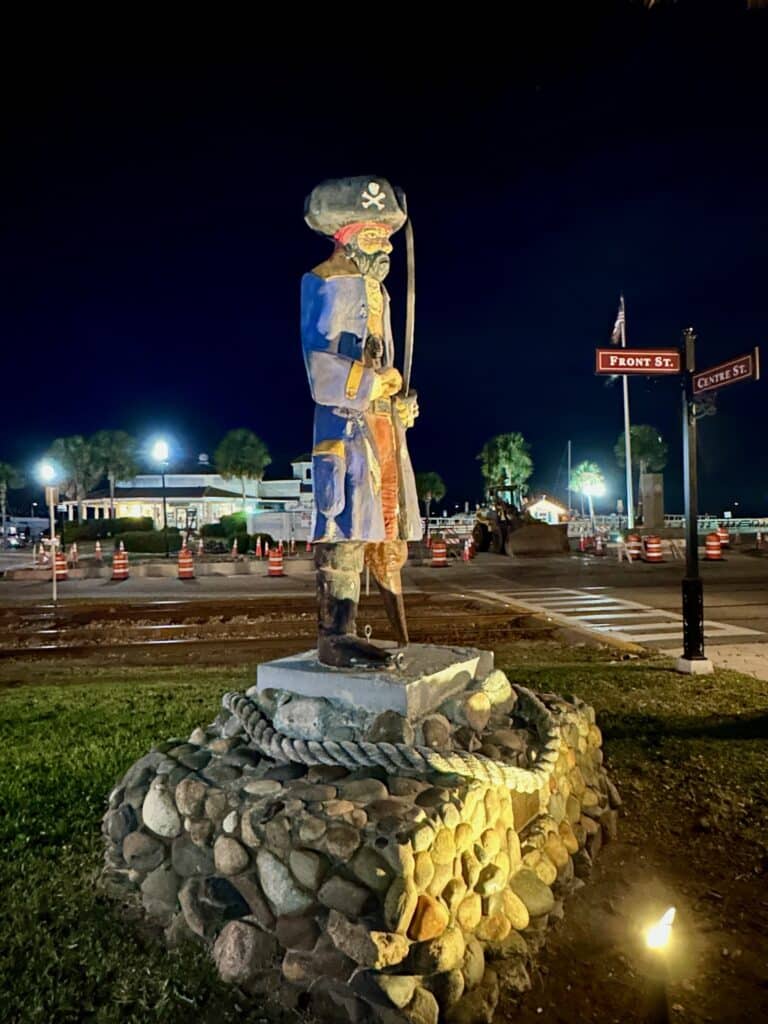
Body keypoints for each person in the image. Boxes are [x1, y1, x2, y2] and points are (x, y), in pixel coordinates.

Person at [302, 176, 421, 668]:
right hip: (346, 428)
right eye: (374, 237)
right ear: (347, 236)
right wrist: (371, 384)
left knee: (383, 520)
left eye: (387, 236)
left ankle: (383, 626)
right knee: (344, 525)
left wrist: (396, 403)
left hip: (380, 427)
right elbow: (319, 364)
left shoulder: (379, 294)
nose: (386, 246)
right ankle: (336, 633)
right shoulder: (327, 281)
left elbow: (382, 359)